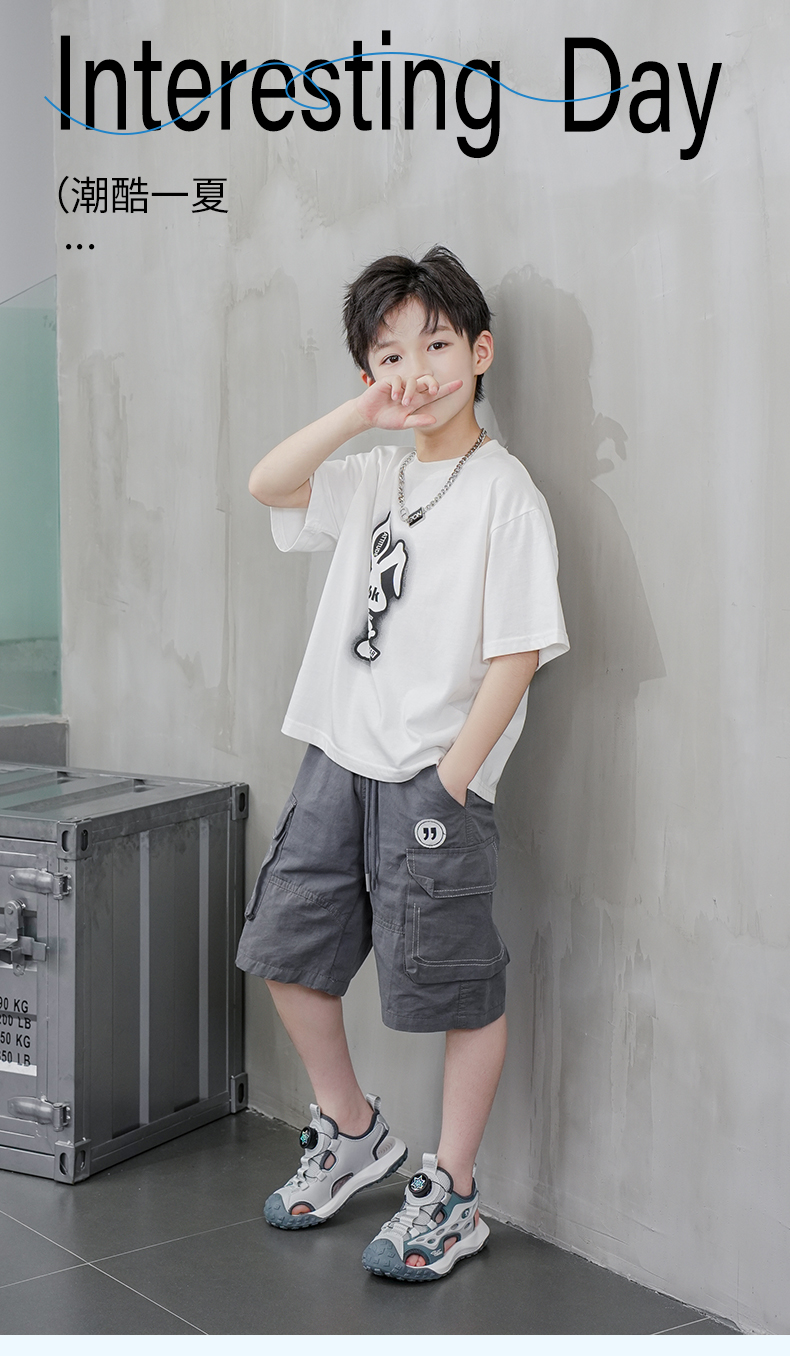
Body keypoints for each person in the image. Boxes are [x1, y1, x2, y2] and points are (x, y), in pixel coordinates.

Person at [236, 245, 569, 1281]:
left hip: (430, 773)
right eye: (390, 355)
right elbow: (267, 483)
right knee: (286, 948)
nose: (415, 372)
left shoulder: (504, 493)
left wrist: (454, 776)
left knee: (457, 985)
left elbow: (520, 650)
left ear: (480, 352)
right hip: (336, 756)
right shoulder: (373, 473)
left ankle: (453, 1193)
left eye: (435, 346)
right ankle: (352, 1131)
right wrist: (360, 415)